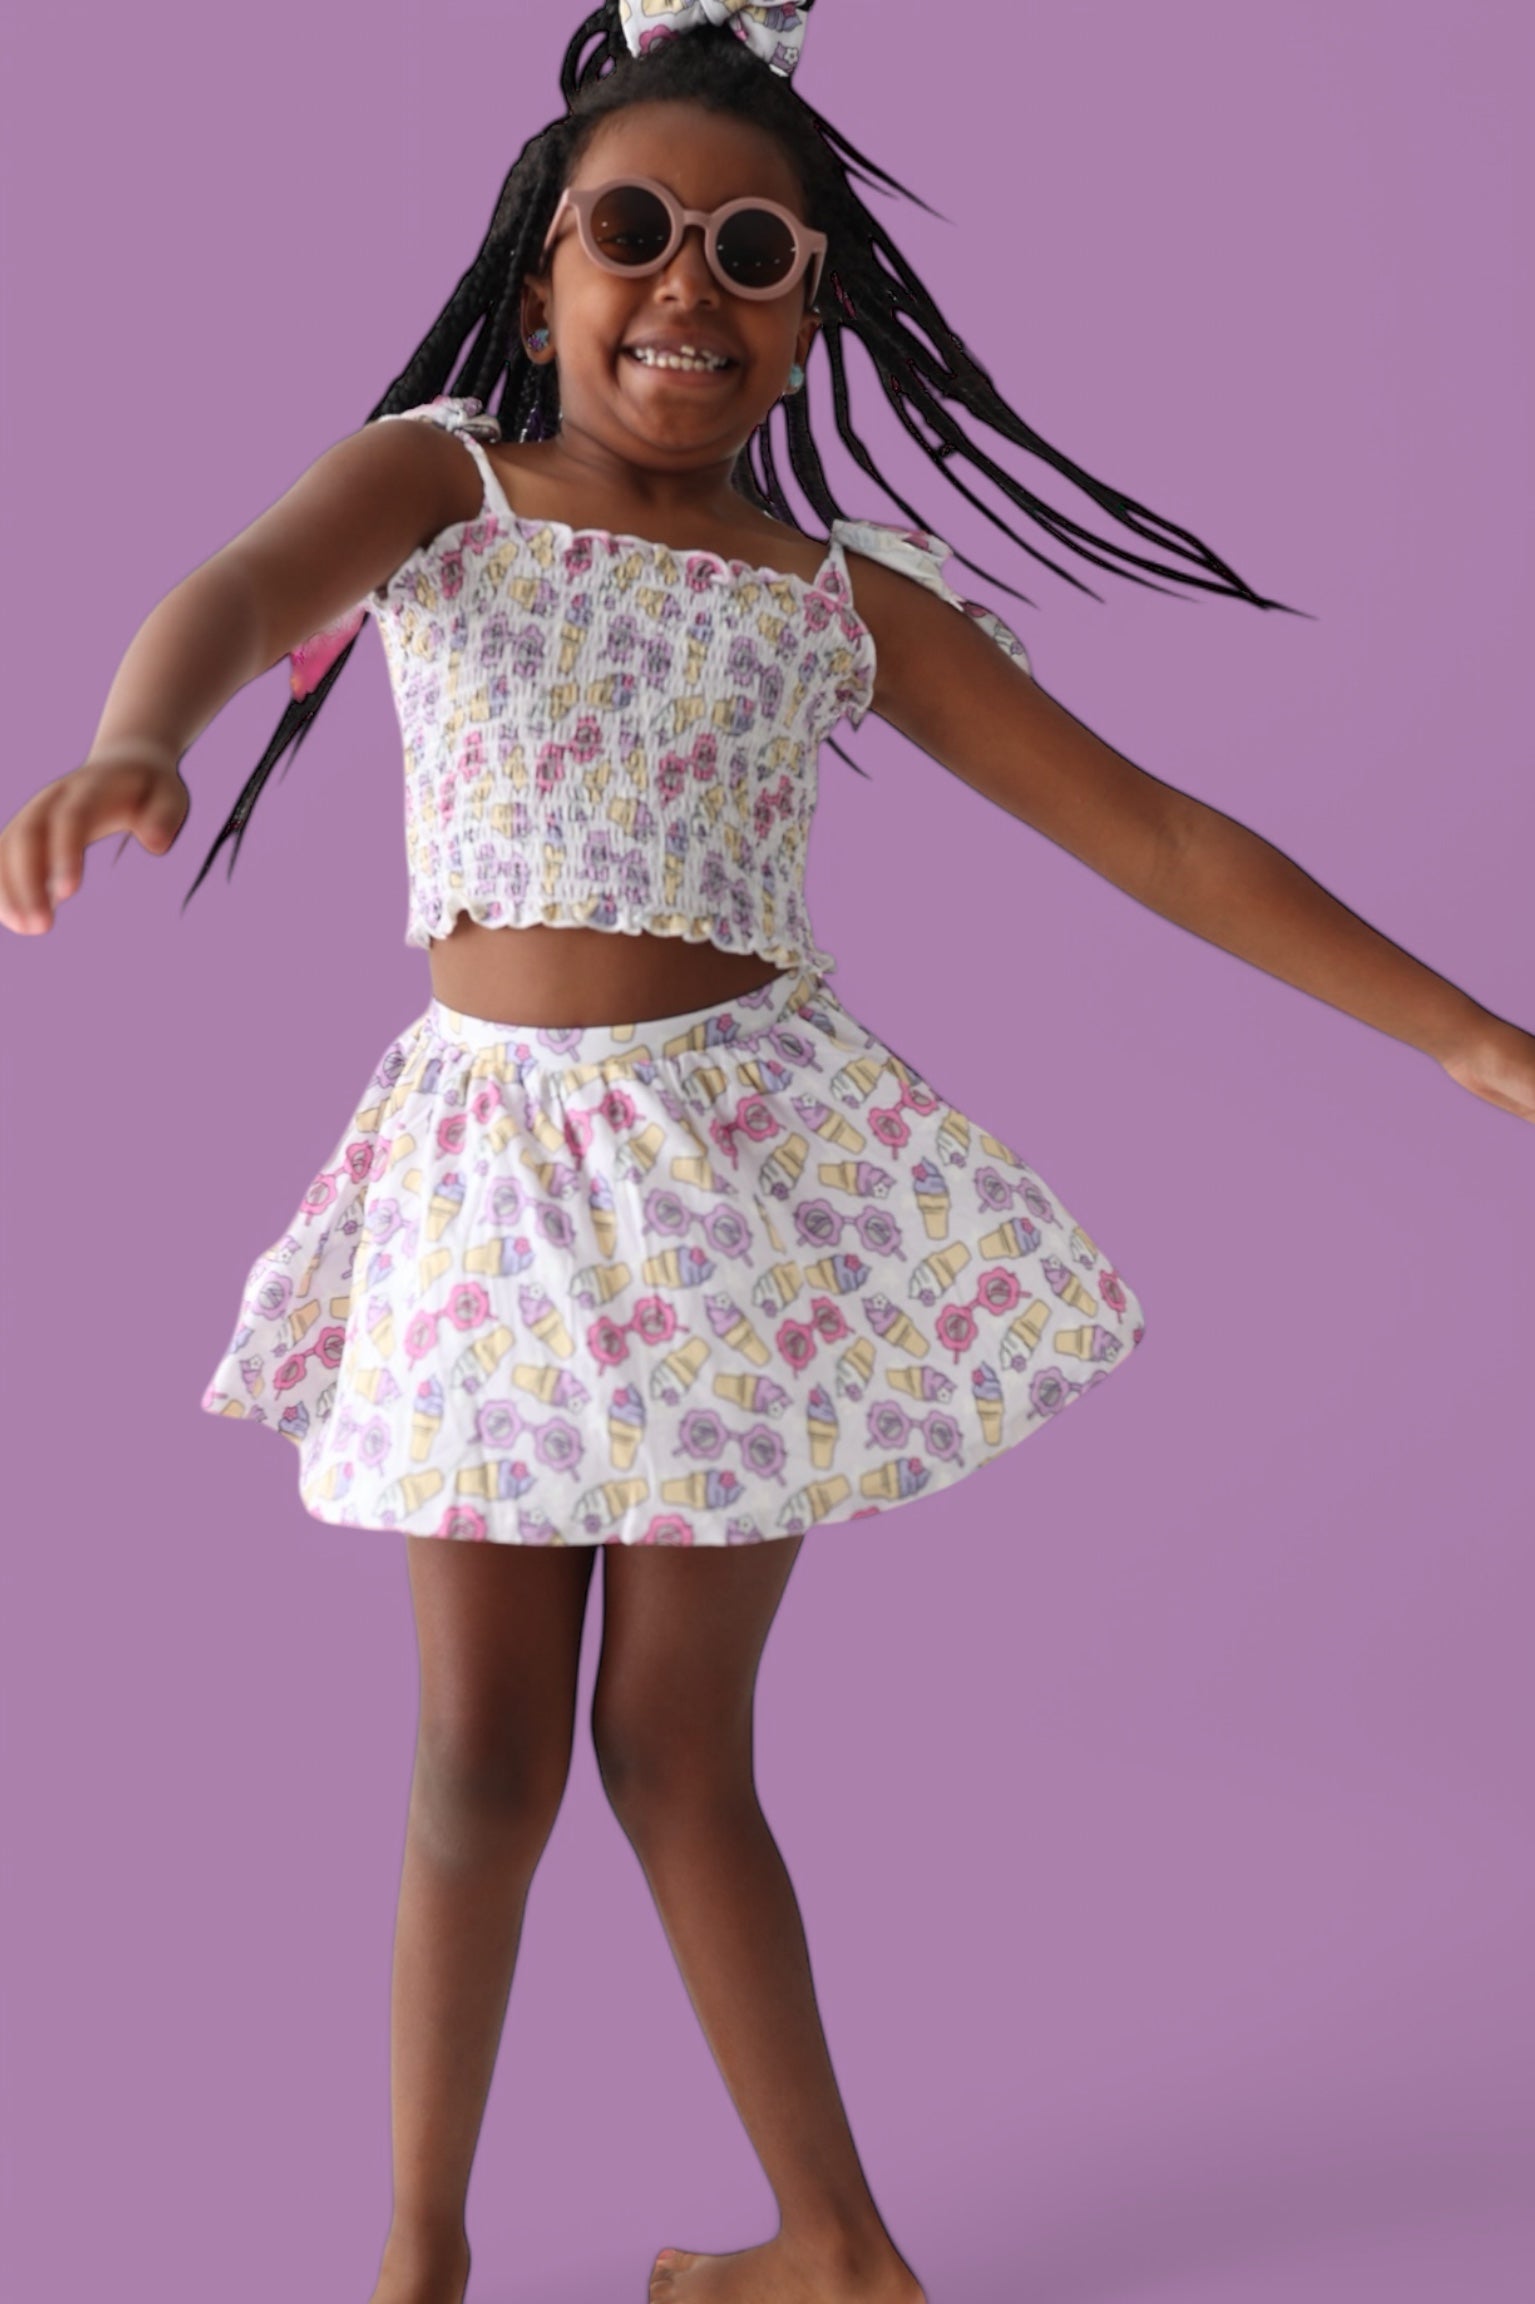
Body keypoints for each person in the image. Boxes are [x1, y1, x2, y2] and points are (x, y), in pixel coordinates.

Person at [2, 6, 1531, 2301]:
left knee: (673, 1741)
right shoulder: (441, 487)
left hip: (739, 1195)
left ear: (809, 309)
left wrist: (1480, 1042)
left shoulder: (838, 596)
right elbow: (239, 587)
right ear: (542, 271)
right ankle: (418, 2253)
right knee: (477, 1756)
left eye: (751, 249)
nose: (685, 284)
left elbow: (1161, 839)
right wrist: (140, 734)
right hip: (491, 1188)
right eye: (633, 229)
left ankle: (834, 2246)